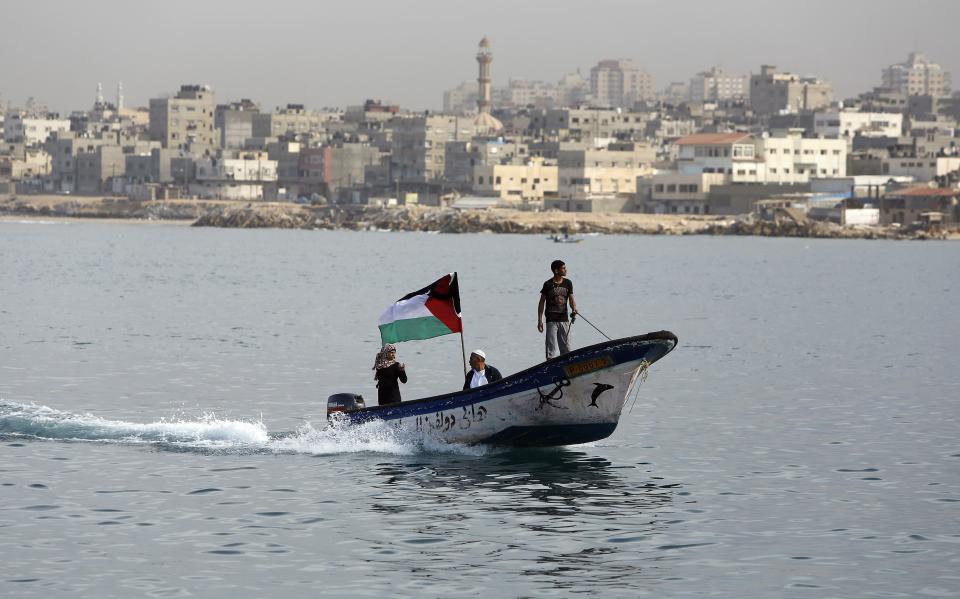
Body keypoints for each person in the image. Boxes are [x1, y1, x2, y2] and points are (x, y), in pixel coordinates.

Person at [537, 259, 578, 359]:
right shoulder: (547, 284)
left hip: (564, 320)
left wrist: (574, 309)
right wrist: (540, 320)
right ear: (556, 271)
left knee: (566, 349)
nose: (566, 270)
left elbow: (571, 298)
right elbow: (541, 302)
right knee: (551, 350)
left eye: (565, 268)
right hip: (551, 320)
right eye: (563, 268)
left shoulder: (568, 283)